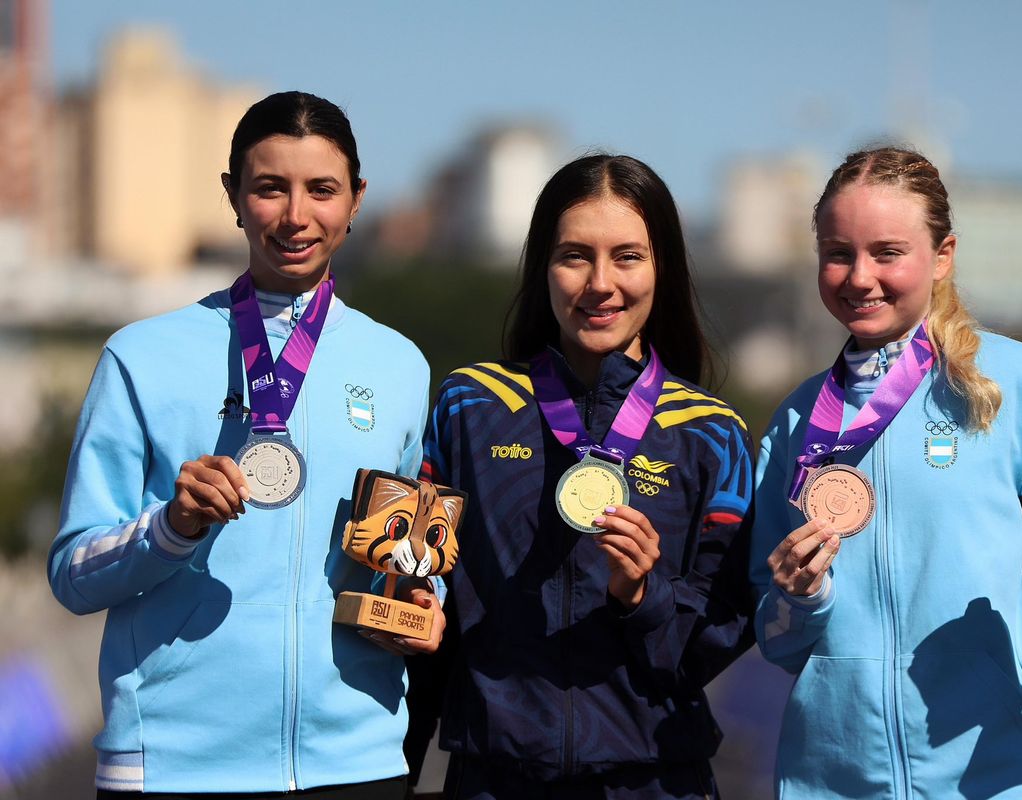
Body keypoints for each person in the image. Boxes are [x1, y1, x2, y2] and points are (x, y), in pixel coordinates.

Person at [48, 91, 440, 798]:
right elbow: (72, 573)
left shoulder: (400, 365)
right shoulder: (142, 356)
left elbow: (410, 546)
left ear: (356, 200)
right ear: (233, 197)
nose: (296, 216)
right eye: (269, 188)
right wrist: (173, 527)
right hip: (175, 765)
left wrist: (419, 597)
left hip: (357, 763)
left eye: (322, 189)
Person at [750, 146, 1022, 799]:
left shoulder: (1018, 382)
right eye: (838, 253)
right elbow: (774, 640)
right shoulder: (795, 420)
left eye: (887, 252)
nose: (860, 276)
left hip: (998, 781)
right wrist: (802, 598)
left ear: (942, 255)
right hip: (831, 784)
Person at [413, 154, 755, 798]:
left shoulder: (712, 433)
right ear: (542, 266)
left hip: (654, 781)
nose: (600, 283)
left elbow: (722, 634)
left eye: (628, 256)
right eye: (575, 255)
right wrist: (406, 605)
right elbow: (415, 580)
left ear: (664, 269)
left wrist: (643, 595)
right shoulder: (471, 407)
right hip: (492, 779)